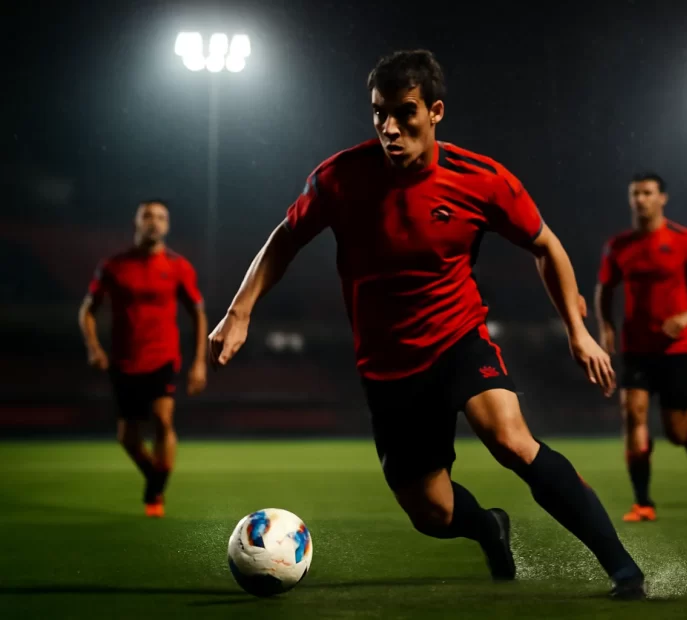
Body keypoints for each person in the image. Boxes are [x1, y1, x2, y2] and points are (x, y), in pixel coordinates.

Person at [208, 50, 645, 599]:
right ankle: (488, 526)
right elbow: (285, 239)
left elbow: (545, 245)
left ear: (435, 111)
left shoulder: (481, 179)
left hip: (459, 339)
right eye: (379, 113)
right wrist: (240, 311)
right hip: (388, 368)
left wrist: (578, 332)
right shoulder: (340, 178)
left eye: (405, 112)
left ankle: (623, 569)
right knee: (431, 512)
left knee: (512, 441)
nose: (390, 127)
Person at [594, 173, 687, 522]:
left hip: (677, 350)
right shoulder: (618, 245)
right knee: (633, 415)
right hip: (636, 350)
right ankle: (643, 502)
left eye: (647, 193)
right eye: (635, 193)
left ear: (662, 198)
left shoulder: (686, 240)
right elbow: (605, 288)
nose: (640, 199)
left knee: (675, 432)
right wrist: (606, 326)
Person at [79, 200, 208, 517]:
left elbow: (198, 313)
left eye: (161, 217)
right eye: (148, 216)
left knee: (163, 419)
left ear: (168, 225)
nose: (155, 222)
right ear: (136, 223)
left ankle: (155, 494)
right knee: (127, 438)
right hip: (124, 361)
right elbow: (87, 311)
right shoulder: (113, 266)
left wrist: (199, 362)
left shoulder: (178, 266)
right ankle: (155, 477)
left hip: (163, 357)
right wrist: (94, 347)